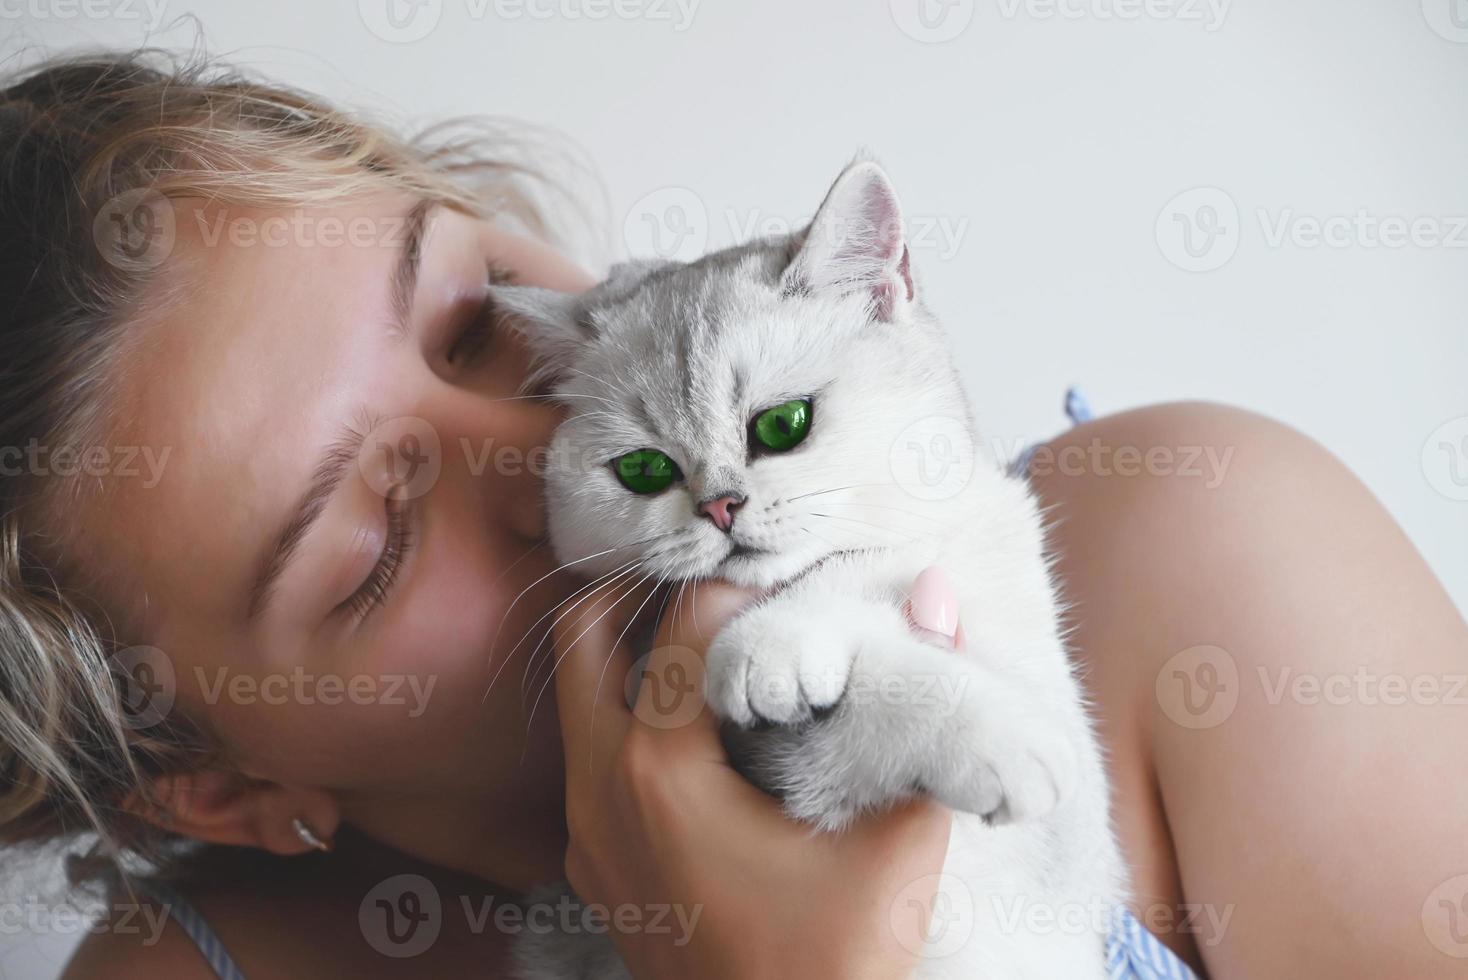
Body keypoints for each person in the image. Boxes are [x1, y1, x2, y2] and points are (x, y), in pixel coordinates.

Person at [0, 51, 1461, 980]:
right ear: (220, 783)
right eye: (375, 546)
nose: (546, 445)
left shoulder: (1201, 566)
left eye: (466, 322)